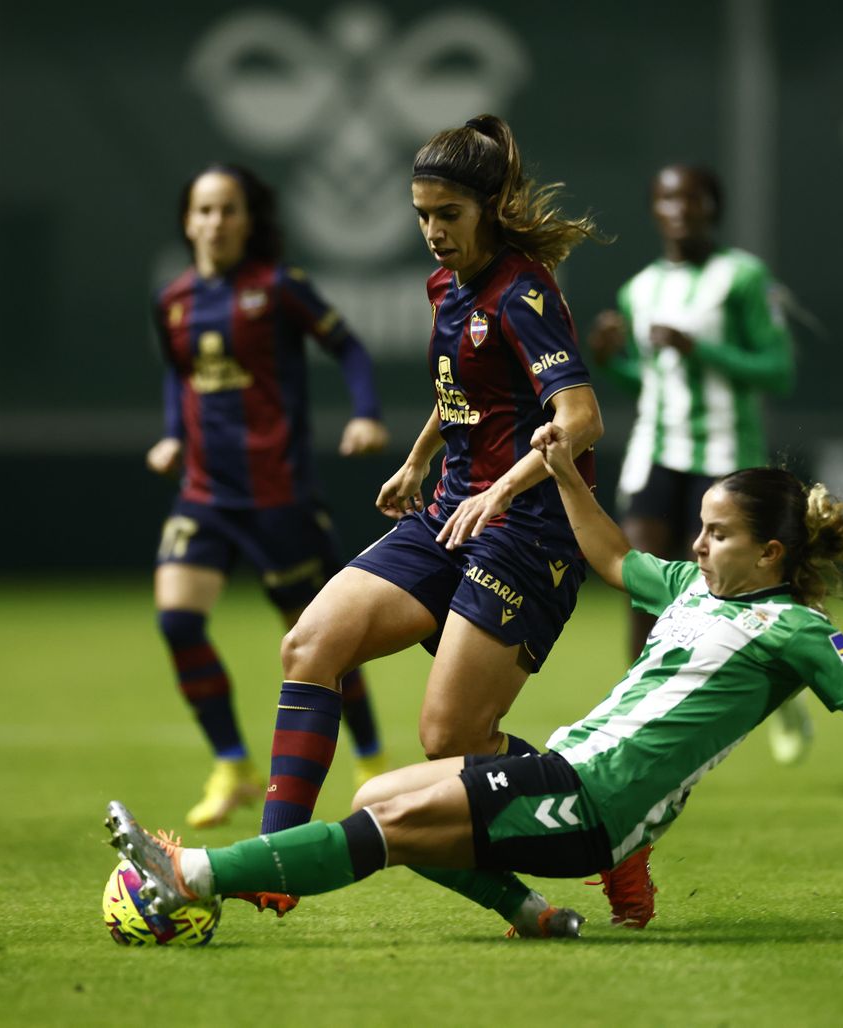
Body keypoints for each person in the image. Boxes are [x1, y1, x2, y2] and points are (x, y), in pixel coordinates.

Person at [102, 430, 843, 941]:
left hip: (596, 802)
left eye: (719, 534)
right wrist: (569, 478)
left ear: (771, 555)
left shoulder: (793, 628)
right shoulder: (691, 590)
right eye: (700, 528)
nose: (697, 545)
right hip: (573, 771)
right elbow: (613, 556)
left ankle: (195, 876)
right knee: (387, 800)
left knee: (393, 818)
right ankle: (531, 913)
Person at [237, 114, 607, 915]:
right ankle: (272, 859)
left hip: (526, 533)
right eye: (422, 216)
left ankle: (612, 833)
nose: (433, 232)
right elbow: (465, 393)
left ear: (488, 208)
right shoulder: (448, 286)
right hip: (447, 515)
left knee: (452, 742)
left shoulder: (524, 291)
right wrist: (419, 458)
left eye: (449, 215)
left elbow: (580, 421)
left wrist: (500, 491)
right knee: (310, 641)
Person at [148, 163, 392, 831]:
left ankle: (370, 759)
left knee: (320, 640)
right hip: (204, 493)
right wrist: (174, 436)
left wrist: (365, 412)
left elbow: (350, 348)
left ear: (249, 221)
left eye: (228, 210)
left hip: (277, 495)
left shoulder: (278, 288)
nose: (215, 222)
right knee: (177, 619)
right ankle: (232, 764)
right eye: (203, 210)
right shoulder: (172, 301)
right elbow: (180, 377)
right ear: (186, 220)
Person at [587, 165, 812, 767]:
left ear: (713, 206)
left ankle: (782, 687)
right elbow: (655, 381)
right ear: (653, 209)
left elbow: (777, 370)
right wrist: (611, 362)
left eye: (692, 197)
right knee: (640, 584)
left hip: (723, 459)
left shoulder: (741, 277)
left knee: (726, 595)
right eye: (666, 198)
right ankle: (632, 720)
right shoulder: (640, 288)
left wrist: (700, 347)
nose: (679, 208)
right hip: (656, 452)